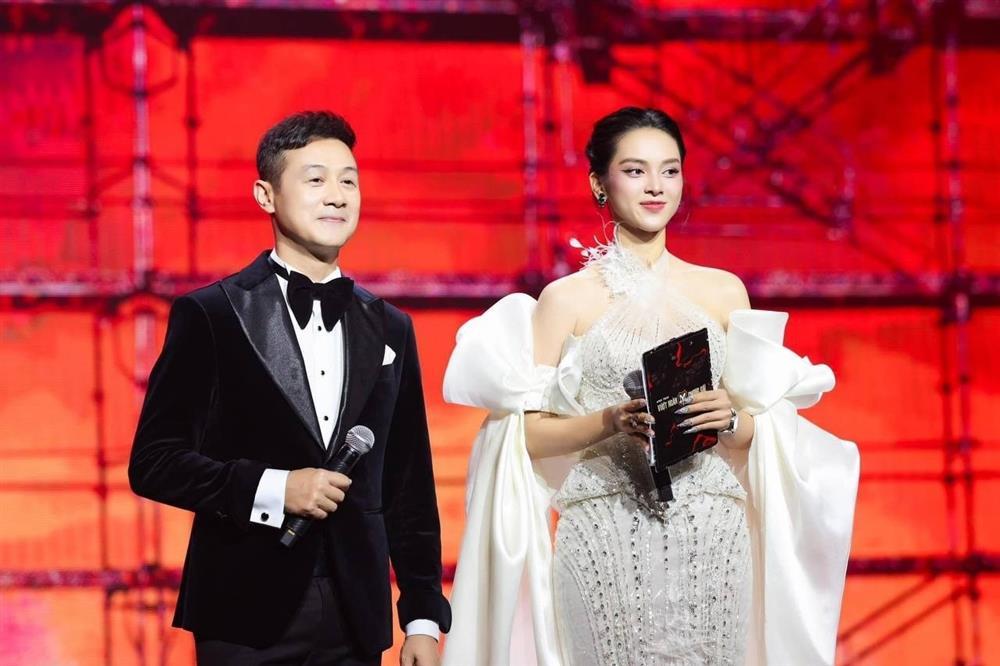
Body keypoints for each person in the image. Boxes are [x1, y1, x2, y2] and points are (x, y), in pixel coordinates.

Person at [442, 107, 859, 665]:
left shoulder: (723, 292)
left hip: (712, 534)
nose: (656, 186)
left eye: (670, 170)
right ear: (599, 183)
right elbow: (526, 436)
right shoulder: (565, 300)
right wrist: (610, 421)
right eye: (635, 171)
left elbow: (759, 431)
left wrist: (731, 420)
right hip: (602, 531)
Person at [128, 110, 451, 666]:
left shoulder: (390, 327)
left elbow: (408, 482)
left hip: (356, 613)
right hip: (244, 610)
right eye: (315, 179)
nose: (337, 195)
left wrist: (422, 616)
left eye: (348, 180)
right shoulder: (212, 314)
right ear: (266, 195)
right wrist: (275, 489)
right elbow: (155, 463)